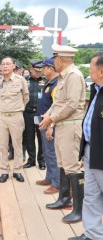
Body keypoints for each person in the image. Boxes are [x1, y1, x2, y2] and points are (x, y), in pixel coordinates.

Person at [39, 44, 86, 224]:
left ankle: (78, 209)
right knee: (63, 163)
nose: (54, 62)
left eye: (56, 59)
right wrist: (49, 115)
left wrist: (52, 118)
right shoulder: (63, 77)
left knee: (73, 166)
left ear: (61, 60)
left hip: (70, 125)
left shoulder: (74, 76)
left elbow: (72, 104)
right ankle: (64, 197)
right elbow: (58, 101)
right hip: (61, 124)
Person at [68, 52, 103, 240]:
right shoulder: (96, 89)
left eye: (91, 66)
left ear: (101, 71)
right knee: (91, 196)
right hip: (90, 149)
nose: (89, 70)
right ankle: (93, 235)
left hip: (101, 154)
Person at [0, 56, 29, 183]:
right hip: (2, 116)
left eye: (7, 64)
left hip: (16, 116)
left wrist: (18, 108)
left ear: (14, 66)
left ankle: (17, 170)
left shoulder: (21, 80)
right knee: (3, 145)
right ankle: (4, 170)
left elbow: (26, 97)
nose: (4, 66)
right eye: (2, 64)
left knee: (17, 144)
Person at [35, 58, 60, 194]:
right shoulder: (50, 83)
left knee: (52, 154)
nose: (42, 71)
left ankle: (56, 183)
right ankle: (49, 178)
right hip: (43, 123)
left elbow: (57, 107)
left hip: (50, 124)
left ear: (50, 68)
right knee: (46, 152)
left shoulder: (57, 84)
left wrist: (51, 126)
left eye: (44, 68)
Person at [23, 59, 46, 170]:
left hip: (40, 114)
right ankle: (31, 160)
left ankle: (41, 160)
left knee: (41, 137)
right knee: (29, 137)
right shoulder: (24, 80)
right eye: (35, 70)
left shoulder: (46, 81)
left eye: (39, 70)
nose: (38, 73)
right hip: (27, 113)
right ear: (30, 69)